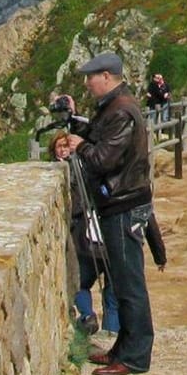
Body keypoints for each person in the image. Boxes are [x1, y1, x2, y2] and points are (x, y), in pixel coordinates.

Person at [64, 52, 155, 375]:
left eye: (91, 76)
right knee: (120, 278)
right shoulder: (114, 108)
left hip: (123, 205)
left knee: (129, 283)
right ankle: (123, 349)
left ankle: (135, 357)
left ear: (106, 76)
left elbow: (103, 159)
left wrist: (79, 146)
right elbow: (99, 142)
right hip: (120, 202)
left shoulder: (121, 112)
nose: (87, 83)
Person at [51, 126, 118, 337]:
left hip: (85, 235)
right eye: (59, 146)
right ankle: (111, 329)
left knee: (81, 281)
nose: (63, 150)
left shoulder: (78, 168)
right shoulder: (90, 165)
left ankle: (91, 318)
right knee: (109, 282)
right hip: (99, 231)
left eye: (65, 146)